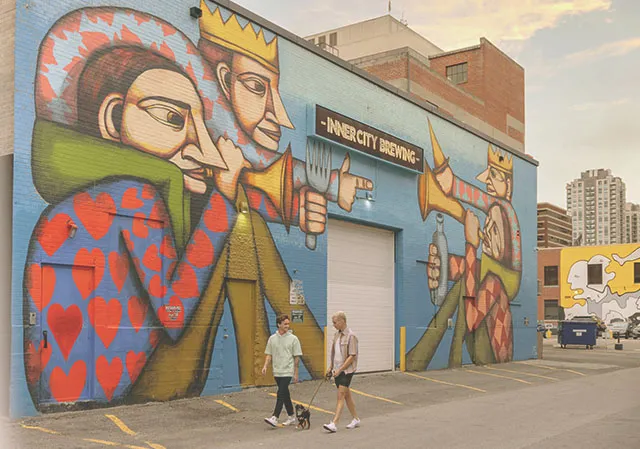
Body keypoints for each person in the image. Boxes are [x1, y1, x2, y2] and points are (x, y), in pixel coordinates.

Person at [263, 315, 303, 427]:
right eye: (285, 324)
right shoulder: (272, 339)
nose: (287, 326)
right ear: (278, 324)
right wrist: (265, 366)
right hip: (277, 370)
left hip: (287, 370)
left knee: (280, 393)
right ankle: (291, 416)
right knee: (285, 394)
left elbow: (296, 357)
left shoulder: (293, 339)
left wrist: (295, 373)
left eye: (288, 324)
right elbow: (269, 354)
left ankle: (275, 417)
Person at [323, 311, 360, 432]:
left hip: (347, 371)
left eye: (335, 322)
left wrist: (340, 370)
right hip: (337, 369)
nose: (333, 325)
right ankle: (356, 419)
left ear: (342, 321)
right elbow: (335, 353)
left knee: (341, 395)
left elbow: (352, 356)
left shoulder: (351, 336)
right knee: (347, 395)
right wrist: (331, 366)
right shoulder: (336, 335)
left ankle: (334, 423)